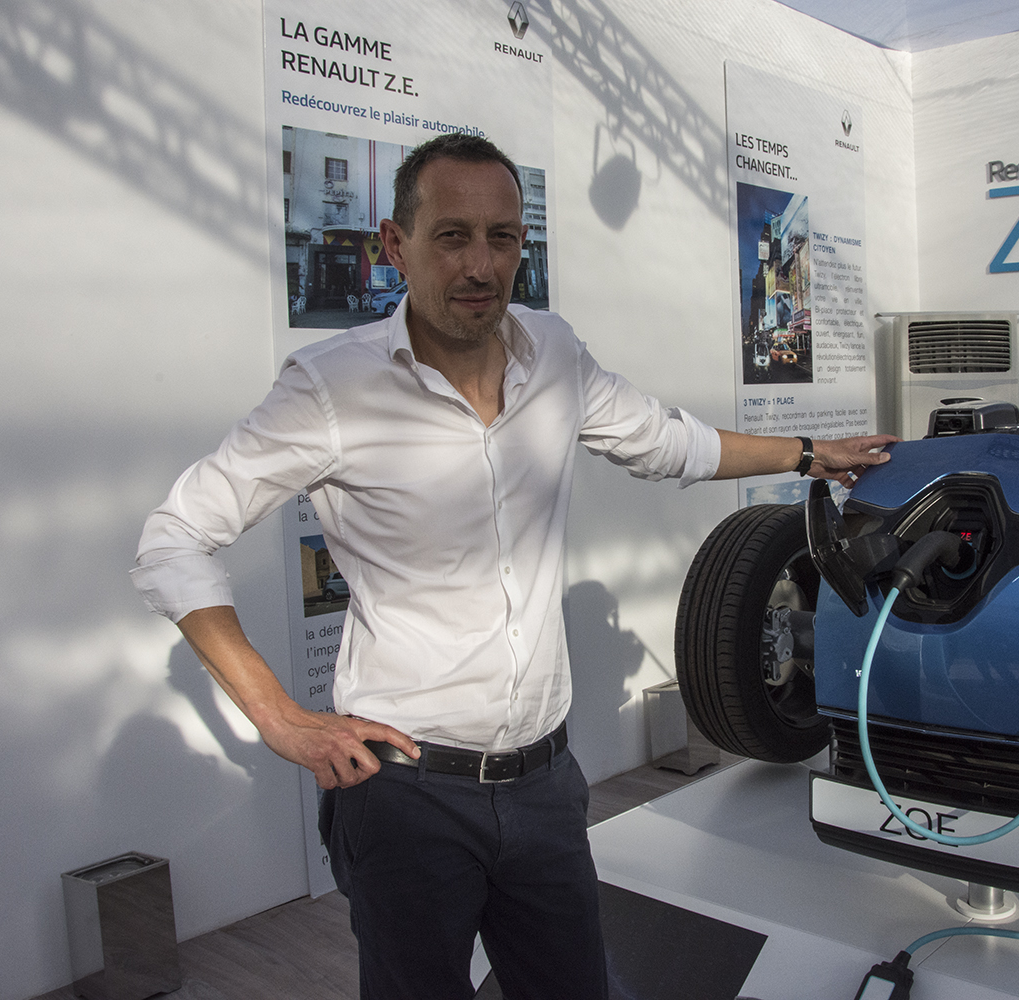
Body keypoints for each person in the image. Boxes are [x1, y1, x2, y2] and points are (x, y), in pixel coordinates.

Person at [132, 133, 896, 1000]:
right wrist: (278, 718)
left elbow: (668, 441)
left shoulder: (554, 353)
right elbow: (174, 538)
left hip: (545, 789)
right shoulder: (329, 388)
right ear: (395, 246)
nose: (479, 264)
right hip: (407, 797)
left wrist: (806, 453)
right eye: (451, 236)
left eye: (501, 237)